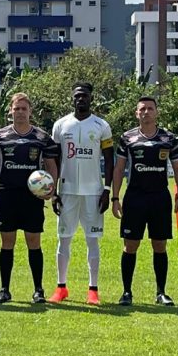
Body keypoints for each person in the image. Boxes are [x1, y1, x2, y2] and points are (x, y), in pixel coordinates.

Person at [0, 92, 59, 304]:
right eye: (16, 109)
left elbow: (52, 166)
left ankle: (38, 290)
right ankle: (5, 289)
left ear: (30, 111)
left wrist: (51, 190)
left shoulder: (42, 137)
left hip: (32, 198)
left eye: (24, 109)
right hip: (7, 195)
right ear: (10, 111)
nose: (20, 113)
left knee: (33, 241)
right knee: (7, 242)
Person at [111, 96, 178, 306]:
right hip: (134, 198)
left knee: (159, 245)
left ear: (157, 112)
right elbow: (118, 169)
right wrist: (115, 198)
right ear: (136, 113)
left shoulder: (168, 138)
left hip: (160, 199)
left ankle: (161, 292)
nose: (146, 112)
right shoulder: (127, 138)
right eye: (142, 109)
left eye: (150, 109)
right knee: (130, 245)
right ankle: (126, 292)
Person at [48, 82, 114, 306]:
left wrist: (107, 190)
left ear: (91, 98)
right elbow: (54, 159)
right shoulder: (60, 125)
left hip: (93, 193)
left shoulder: (101, 125)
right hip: (67, 192)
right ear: (72, 99)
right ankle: (61, 287)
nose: (80, 99)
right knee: (63, 239)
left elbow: (110, 159)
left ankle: (93, 290)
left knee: (92, 240)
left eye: (84, 96)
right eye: (77, 96)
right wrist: (54, 192)